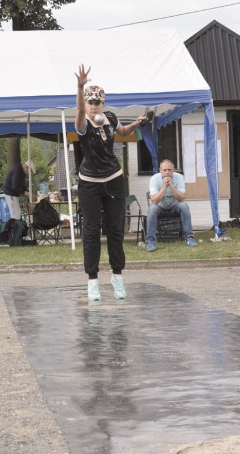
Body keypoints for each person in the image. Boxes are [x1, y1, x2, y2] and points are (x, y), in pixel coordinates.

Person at [75, 64, 146, 301]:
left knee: (116, 230)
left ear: (103, 104)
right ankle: (92, 282)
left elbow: (122, 131)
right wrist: (80, 86)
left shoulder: (110, 118)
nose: (94, 105)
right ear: (86, 104)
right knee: (92, 231)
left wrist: (135, 125)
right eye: (90, 102)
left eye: (98, 102)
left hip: (114, 179)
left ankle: (117, 278)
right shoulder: (82, 123)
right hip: (90, 183)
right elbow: (78, 111)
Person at [144, 159, 198, 251]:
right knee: (152, 208)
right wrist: (165, 186)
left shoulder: (179, 177)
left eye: (169, 170)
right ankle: (150, 241)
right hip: (160, 208)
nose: (167, 172)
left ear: (173, 170)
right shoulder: (154, 179)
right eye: (164, 170)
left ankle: (189, 237)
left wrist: (172, 186)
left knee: (184, 205)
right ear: (160, 170)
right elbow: (154, 200)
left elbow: (181, 198)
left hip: (174, 208)